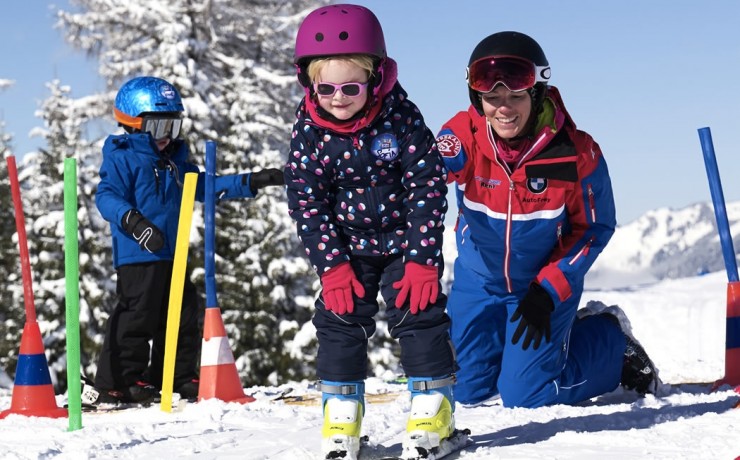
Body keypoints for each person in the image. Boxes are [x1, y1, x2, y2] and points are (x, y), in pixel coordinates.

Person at [436, 31, 658, 408]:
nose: (503, 108)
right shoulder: (463, 138)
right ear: (478, 98)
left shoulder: (576, 152)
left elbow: (595, 227)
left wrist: (549, 288)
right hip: (478, 282)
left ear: (537, 92)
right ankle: (520, 354)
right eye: (492, 97)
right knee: (465, 391)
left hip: (539, 289)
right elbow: (423, 176)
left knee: (526, 395)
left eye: (516, 95)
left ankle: (610, 342)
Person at [285, 4, 459, 459]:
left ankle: (432, 407)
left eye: (351, 87)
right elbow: (307, 203)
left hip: (405, 241)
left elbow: (426, 187)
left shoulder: (401, 120)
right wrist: (332, 265)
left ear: (376, 79)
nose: (338, 97)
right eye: (327, 88)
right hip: (348, 248)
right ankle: (341, 413)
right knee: (339, 320)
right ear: (310, 84)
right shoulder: (308, 135)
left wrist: (422, 258)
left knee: (418, 312)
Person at [89, 76, 284, 406]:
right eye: (159, 127)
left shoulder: (175, 163)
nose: (167, 137)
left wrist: (251, 181)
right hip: (138, 254)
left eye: (173, 127)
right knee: (138, 313)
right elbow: (106, 196)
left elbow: (206, 186)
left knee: (184, 311)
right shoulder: (123, 158)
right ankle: (119, 380)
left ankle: (174, 375)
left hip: (172, 253)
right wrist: (134, 223)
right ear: (134, 124)